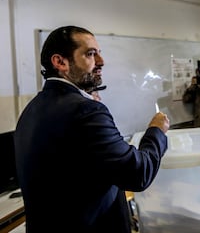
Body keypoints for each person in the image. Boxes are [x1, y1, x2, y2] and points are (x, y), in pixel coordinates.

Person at [14, 26, 169, 233]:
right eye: (90, 54)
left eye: (99, 53)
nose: (101, 62)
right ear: (60, 62)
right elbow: (138, 174)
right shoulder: (86, 111)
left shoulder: (32, 108)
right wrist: (156, 131)